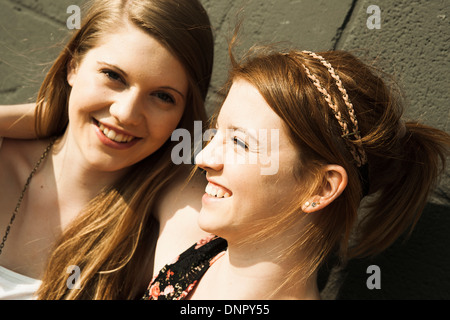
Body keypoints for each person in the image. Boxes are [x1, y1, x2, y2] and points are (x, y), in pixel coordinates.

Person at [143, 45, 450, 299]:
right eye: (216, 132)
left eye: (239, 142)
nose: (204, 157)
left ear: (321, 188)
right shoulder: (192, 255)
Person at [0, 0, 213, 299]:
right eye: (113, 76)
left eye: (163, 96)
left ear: (182, 116)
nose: (126, 113)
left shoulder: (168, 220)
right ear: (73, 65)